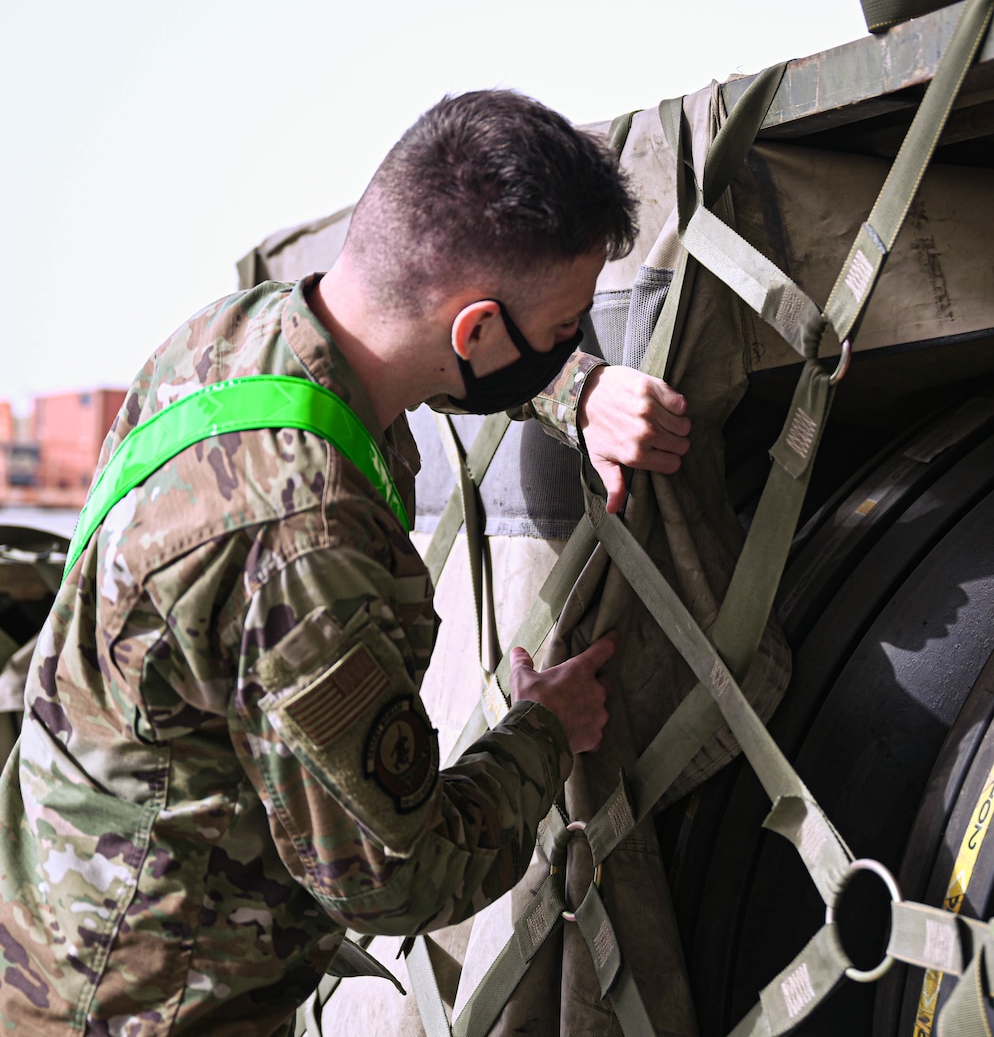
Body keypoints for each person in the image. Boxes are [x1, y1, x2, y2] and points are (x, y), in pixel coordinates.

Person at [0, 90, 691, 1034]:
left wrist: (578, 389)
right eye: (566, 327)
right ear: (478, 330)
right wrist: (540, 731)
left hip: (51, 929)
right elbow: (397, 880)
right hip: (150, 1009)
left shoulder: (234, 336)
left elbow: (426, 362)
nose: (568, 342)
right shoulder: (300, 541)